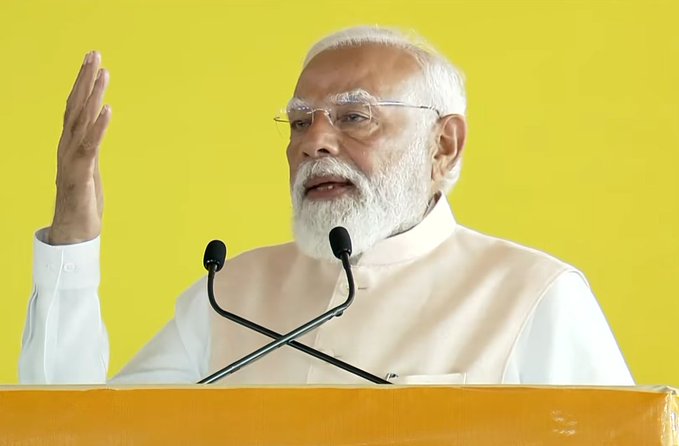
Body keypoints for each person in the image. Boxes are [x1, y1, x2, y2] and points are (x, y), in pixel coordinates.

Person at [19, 26, 634, 385]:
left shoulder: (533, 295)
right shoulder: (229, 294)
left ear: (443, 144)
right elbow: (75, 430)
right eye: (299, 122)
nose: (314, 141)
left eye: (354, 117)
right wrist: (72, 237)